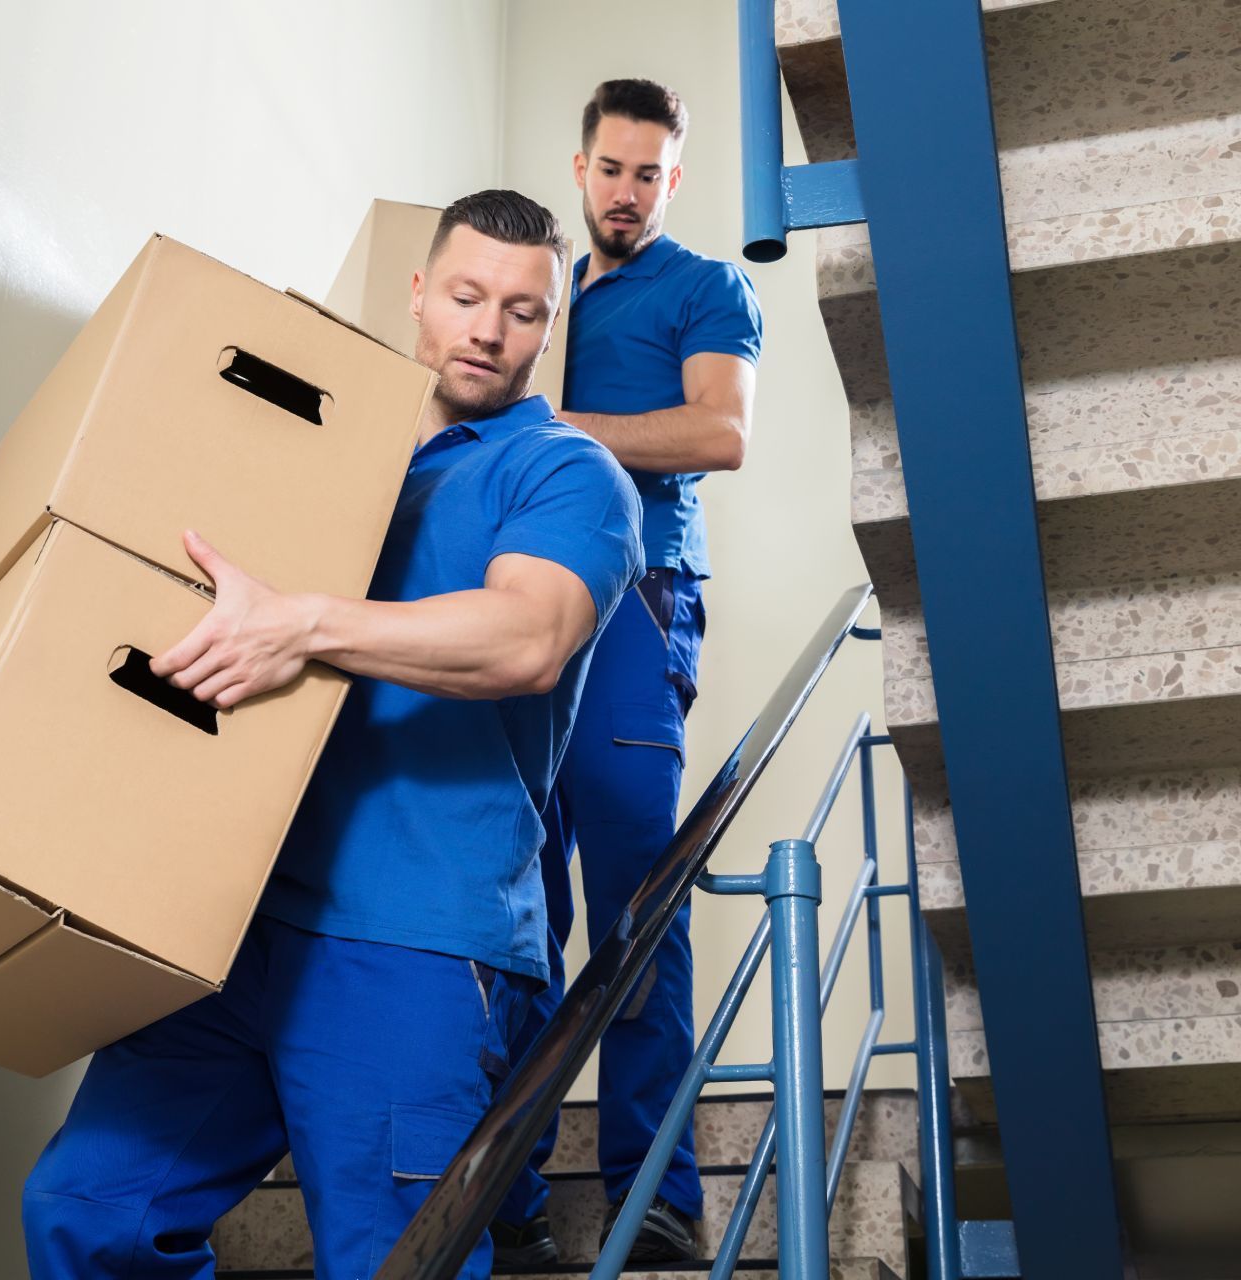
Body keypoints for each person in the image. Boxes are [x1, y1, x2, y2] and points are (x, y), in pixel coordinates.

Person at [20, 189, 643, 1280]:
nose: (488, 328)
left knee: (392, 1262)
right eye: (464, 295)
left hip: (411, 935)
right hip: (235, 923)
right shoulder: (330, 457)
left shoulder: (563, 473)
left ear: (553, 324)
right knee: (88, 1207)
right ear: (417, 295)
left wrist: (303, 623)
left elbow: (527, 636)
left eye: (523, 309)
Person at [490, 79, 763, 1269]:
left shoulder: (705, 286)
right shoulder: (545, 291)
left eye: (650, 173)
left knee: (637, 904)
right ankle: (510, 1193)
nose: (628, 192)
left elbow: (720, 434)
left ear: (674, 179)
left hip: (638, 609)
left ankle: (655, 1188)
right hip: (517, 607)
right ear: (580, 165)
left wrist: (554, 420)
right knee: (515, 906)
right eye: (612, 169)